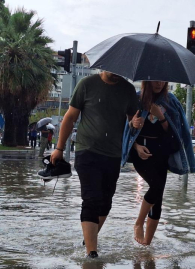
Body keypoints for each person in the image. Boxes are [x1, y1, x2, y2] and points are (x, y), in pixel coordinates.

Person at [49, 71, 138, 258]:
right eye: (112, 70)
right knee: (92, 199)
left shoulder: (128, 90)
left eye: (119, 71)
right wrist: (58, 148)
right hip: (87, 150)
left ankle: (88, 239)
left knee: (106, 203)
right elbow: (70, 117)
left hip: (113, 154)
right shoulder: (86, 84)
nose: (116, 74)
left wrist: (136, 123)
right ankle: (91, 253)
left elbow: (132, 121)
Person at [121, 81, 195, 246]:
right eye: (155, 80)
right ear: (147, 81)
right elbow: (126, 129)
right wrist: (134, 137)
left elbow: (174, 133)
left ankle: (146, 245)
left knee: (158, 197)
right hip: (141, 153)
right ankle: (139, 222)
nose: (158, 83)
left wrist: (161, 116)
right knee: (155, 186)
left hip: (161, 154)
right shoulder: (136, 99)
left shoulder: (170, 100)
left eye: (162, 80)